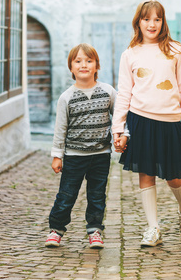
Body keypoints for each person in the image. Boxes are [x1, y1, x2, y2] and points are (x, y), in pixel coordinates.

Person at [112, 0, 181, 247]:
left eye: (157, 19)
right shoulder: (130, 54)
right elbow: (124, 93)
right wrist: (118, 128)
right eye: (146, 19)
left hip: (169, 122)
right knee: (146, 174)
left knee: (174, 177)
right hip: (140, 120)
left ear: (163, 22)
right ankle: (153, 228)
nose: (152, 24)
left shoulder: (174, 50)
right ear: (138, 22)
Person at [45, 43, 129, 249]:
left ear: (96, 66)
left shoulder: (108, 92)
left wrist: (123, 135)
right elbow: (60, 129)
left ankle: (95, 231)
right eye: (78, 61)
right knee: (66, 194)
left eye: (89, 61)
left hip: (101, 155)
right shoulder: (66, 98)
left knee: (97, 195)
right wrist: (57, 155)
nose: (84, 65)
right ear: (71, 68)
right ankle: (56, 229)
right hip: (74, 156)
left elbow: (120, 117)